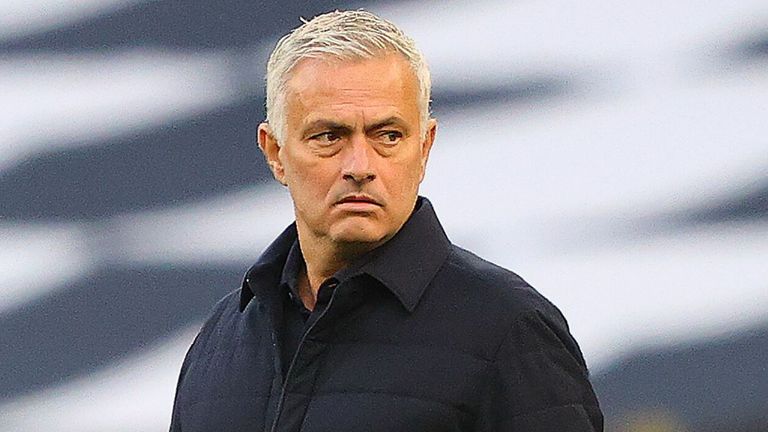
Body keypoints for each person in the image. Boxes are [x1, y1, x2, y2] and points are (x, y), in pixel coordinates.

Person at [170, 10, 603, 432]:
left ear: (425, 147)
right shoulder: (221, 340)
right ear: (276, 153)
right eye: (329, 136)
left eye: (388, 135)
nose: (360, 165)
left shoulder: (510, 329)